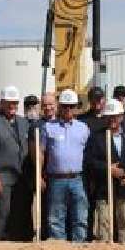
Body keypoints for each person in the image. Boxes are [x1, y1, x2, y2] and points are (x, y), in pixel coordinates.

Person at [85, 100, 125, 243]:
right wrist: (108, 169)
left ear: (122, 117)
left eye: (116, 116)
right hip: (105, 190)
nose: (113, 119)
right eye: (109, 116)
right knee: (104, 227)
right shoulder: (96, 137)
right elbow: (90, 161)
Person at [44, 89, 91, 241]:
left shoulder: (83, 128)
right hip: (56, 179)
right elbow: (40, 152)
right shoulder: (48, 127)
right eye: (65, 106)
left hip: (77, 179)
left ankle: (79, 245)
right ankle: (59, 248)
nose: (68, 109)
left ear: (76, 107)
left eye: (71, 106)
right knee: (56, 217)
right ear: (59, 106)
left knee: (80, 215)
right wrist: (39, 175)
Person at [0, 86, 33, 240]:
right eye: (9, 103)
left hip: (22, 176)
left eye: (15, 103)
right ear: (2, 104)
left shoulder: (24, 122)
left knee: (22, 211)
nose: (12, 106)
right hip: (4, 176)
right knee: (3, 212)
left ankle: (21, 241)